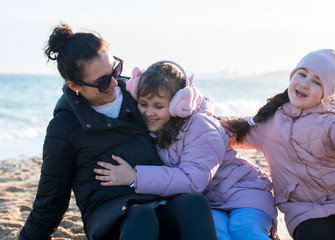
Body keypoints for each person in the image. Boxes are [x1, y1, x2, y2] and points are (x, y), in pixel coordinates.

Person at [19, 23, 217, 240]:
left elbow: (190, 113)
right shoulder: (64, 128)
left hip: (158, 200)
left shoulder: (137, 96)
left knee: (195, 203)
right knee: (141, 215)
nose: (115, 83)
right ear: (74, 86)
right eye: (102, 82)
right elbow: (51, 200)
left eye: (115, 70)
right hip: (112, 216)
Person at [93, 61, 278, 240]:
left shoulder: (201, 127)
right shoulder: (157, 129)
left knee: (245, 232)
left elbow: (193, 180)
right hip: (214, 203)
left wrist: (136, 177)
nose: (149, 112)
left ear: (179, 104)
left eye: (158, 106)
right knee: (218, 235)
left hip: (246, 194)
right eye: (143, 104)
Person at [221, 49, 335, 240]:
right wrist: (199, 118)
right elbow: (232, 128)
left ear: (326, 94)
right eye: (302, 74)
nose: (305, 84)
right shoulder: (270, 124)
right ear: (293, 76)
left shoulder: (332, 122)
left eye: (316, 82)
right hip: (305, 212)